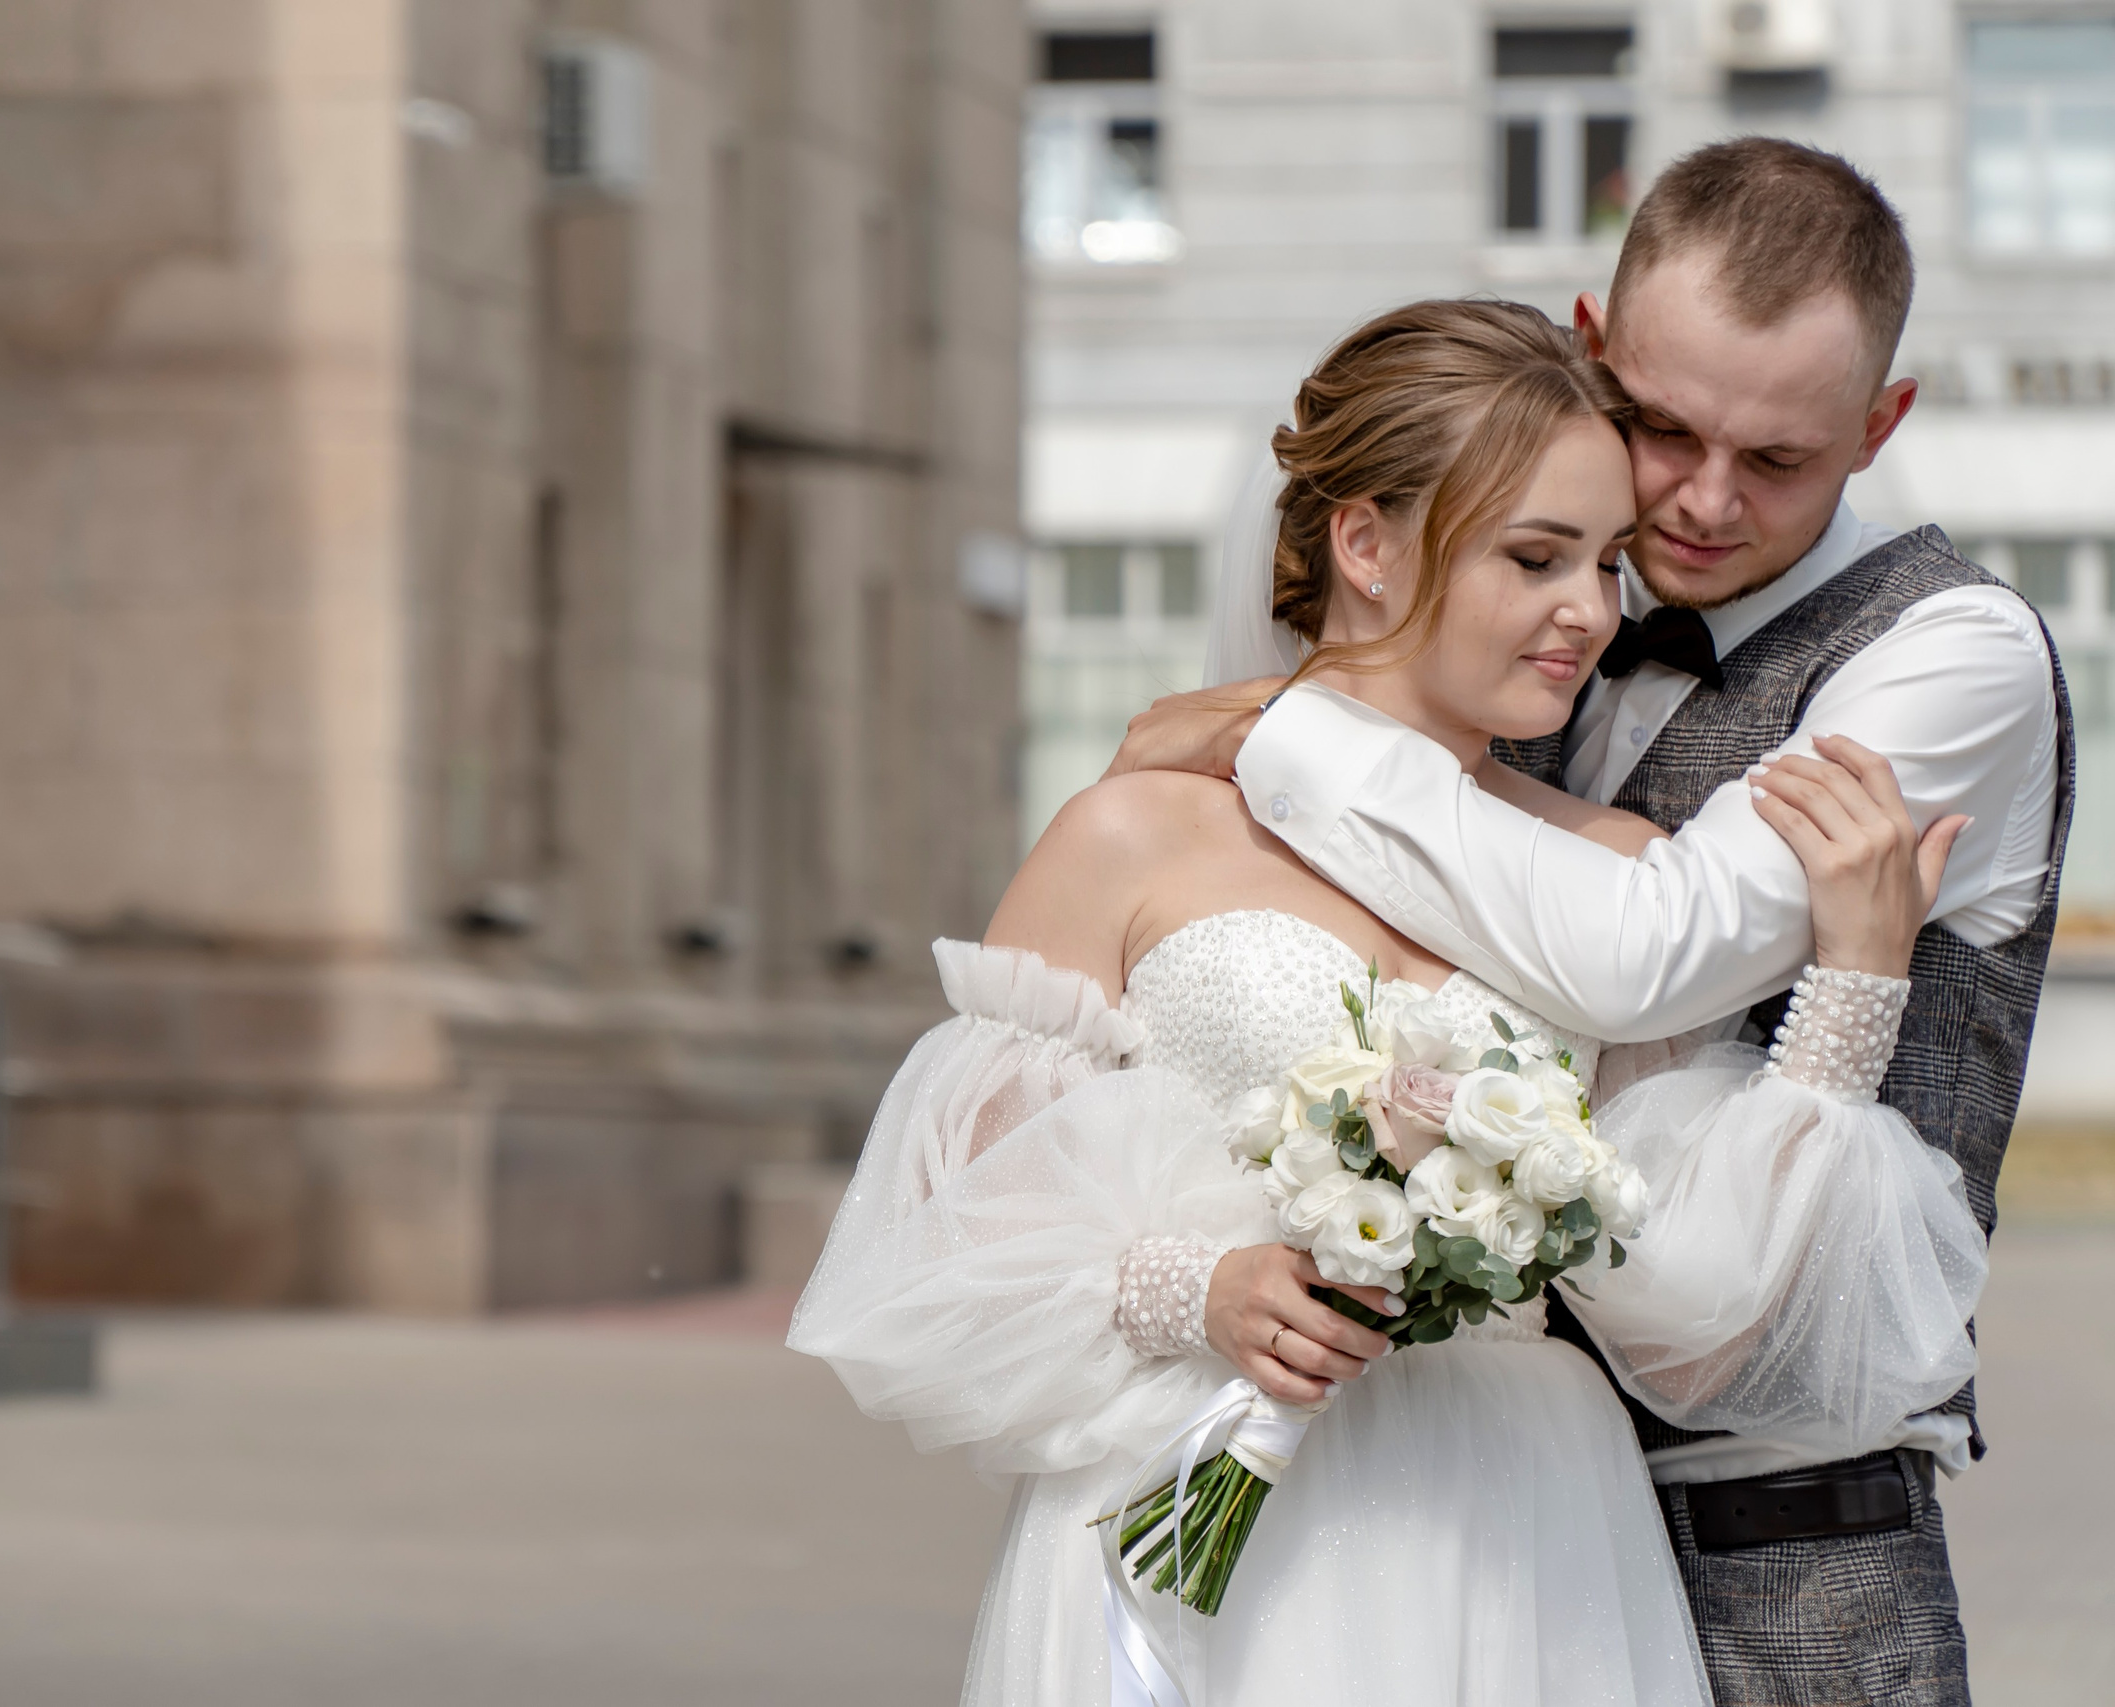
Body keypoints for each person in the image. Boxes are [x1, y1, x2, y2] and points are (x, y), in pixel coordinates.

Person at [790, 298, 1985, 1707]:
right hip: (1202, 1507)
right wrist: (1198, 1289)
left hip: (1525, 1530)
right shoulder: (1133, 833)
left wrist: (1852, 992)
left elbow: (1707, 1329)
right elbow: (954, 1236)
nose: (1590, 612)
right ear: (1365, 544)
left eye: (1608, 562)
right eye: (1536, 557)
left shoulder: (1615, 881)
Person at [1109, 140, 2070, 1707]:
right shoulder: (1537, 637)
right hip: (1475, 1524)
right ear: (1590, 344)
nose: (1703, 499)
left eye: (1778, 459)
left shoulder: (1955, 656)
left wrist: (1293, 729)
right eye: (1664, 427)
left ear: (1882, 424)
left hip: (1788, 1555)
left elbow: (1642, 959)